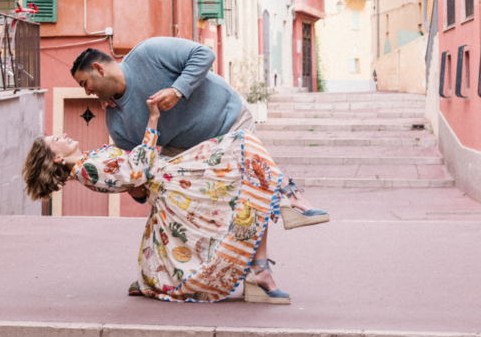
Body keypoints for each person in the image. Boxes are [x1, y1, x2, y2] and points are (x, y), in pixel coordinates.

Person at [24, 97, 297, 303]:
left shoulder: (86, 164)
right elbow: (137, 169)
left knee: (242, 185)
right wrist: (152, 118)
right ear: (57, 157)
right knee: (242, 147)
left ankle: (274, 231)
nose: (64, 135)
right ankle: (290, 198)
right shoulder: (86, 169)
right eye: (56, 139)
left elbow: (130, 177)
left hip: (172, 178)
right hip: (172, 181)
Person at [69, 39, 327, 228]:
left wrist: (178, 90)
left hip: (228, 118)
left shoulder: (147, 53)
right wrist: (135, 188)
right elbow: (137, 167)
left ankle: (292, 197)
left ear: (99, 69)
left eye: (85, 83)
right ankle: (238, 269)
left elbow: (203, 54)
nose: (86, 91)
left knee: (246, 173)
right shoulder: (116, 122)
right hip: (189, 153)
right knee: (217, 208)